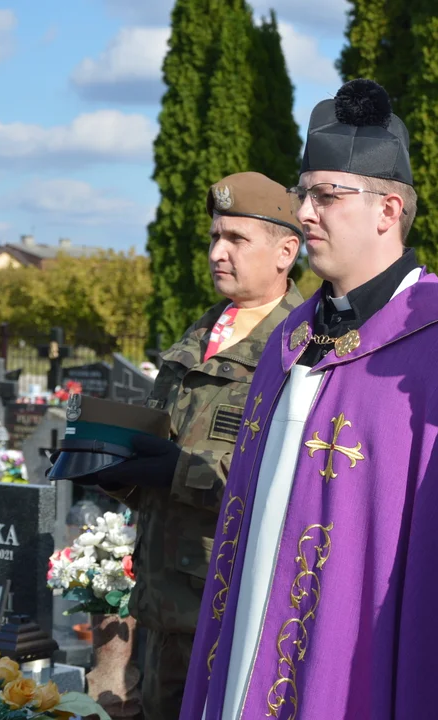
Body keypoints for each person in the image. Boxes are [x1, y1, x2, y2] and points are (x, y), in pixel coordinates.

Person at [181, 78, 438, 720]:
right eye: (304, 193)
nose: (304, 212)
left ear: (388, 210)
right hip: (251, 637)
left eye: (327, 196)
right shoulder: (290, 339)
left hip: (359, 672)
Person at [79, 172, 305, 719]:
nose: (218, 252)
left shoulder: (301, 346)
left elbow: (288, 481)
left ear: (286, 251)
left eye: (236, 239)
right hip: (161, 604)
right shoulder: (198, 337)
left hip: (228, 607)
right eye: (214, 238)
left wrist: (177, 471)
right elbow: (160, 448)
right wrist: (118, 471)